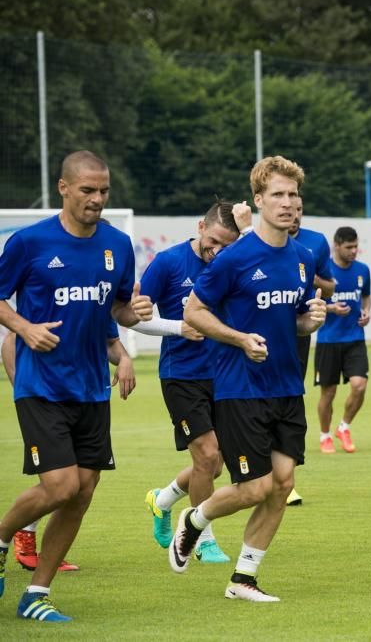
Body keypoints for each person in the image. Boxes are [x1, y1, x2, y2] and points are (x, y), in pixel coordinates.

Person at [0, 150, 152, 623]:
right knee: (62, 486)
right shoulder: (30, 242)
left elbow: (118, 309)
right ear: (64, 188)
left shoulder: (118, 246)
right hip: (41, 384)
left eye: (103, 191)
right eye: (87, 190)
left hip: (91, 388)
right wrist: (25, 329)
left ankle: (36, 594)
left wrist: (135, 317)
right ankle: (2, 537)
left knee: (83, 492)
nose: (97, 199)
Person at [169, 155, 327, 602]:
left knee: (282, 484)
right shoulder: (234, 258)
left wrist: (308, 321)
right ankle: (194, 520)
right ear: (258, 201)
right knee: (254, 487)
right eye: (277, 194)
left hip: (287, 388)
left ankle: (243, 579)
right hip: (241, 389)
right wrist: (239, 339)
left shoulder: (302, 256)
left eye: (293, 195)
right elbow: (193, 311)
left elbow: (291, 321)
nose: (288, 203)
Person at [140, 200, 247, 564]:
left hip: (224, 375)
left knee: (215, 465)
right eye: (214, 241)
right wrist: (178, 327)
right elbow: (132, 316)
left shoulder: (230, 266)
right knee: (207, 457)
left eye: (227, 246)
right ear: (201, 226)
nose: (217, 251)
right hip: (181, 376)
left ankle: (164, 499)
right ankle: (201, 539)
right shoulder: (169, 262)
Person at [3, 320, 136, 573]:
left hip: (90, 398)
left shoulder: (102, 286)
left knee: (82, 486)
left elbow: (111, 335)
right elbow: (12, 339)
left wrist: (125, 358)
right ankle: (16, 534)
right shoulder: (45, 287)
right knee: (60, 484)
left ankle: (41, 576)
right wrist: (22, 387)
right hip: (45, 397)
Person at [285, 196, 335, 506]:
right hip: (257, 333)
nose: (294, 215)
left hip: (299, 332)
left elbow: (329, 286)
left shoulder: (314, 244)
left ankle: (285, 480)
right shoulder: (257, 243)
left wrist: (305, 271)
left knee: (290, 397)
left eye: (300, 209)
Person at [315, 226, 371, 454]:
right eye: (349, 247)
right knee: (328, 393)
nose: (354, 251)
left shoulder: (363, 270)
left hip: (355, 339)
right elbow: (310, 302)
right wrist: (330, 308)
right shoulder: (324, 271)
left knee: (359, 385)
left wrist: (366, 312)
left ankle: (344, 427)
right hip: (328, 340)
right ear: (336, 246)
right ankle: (325, 435)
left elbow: (366, 296)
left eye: (356, 246)